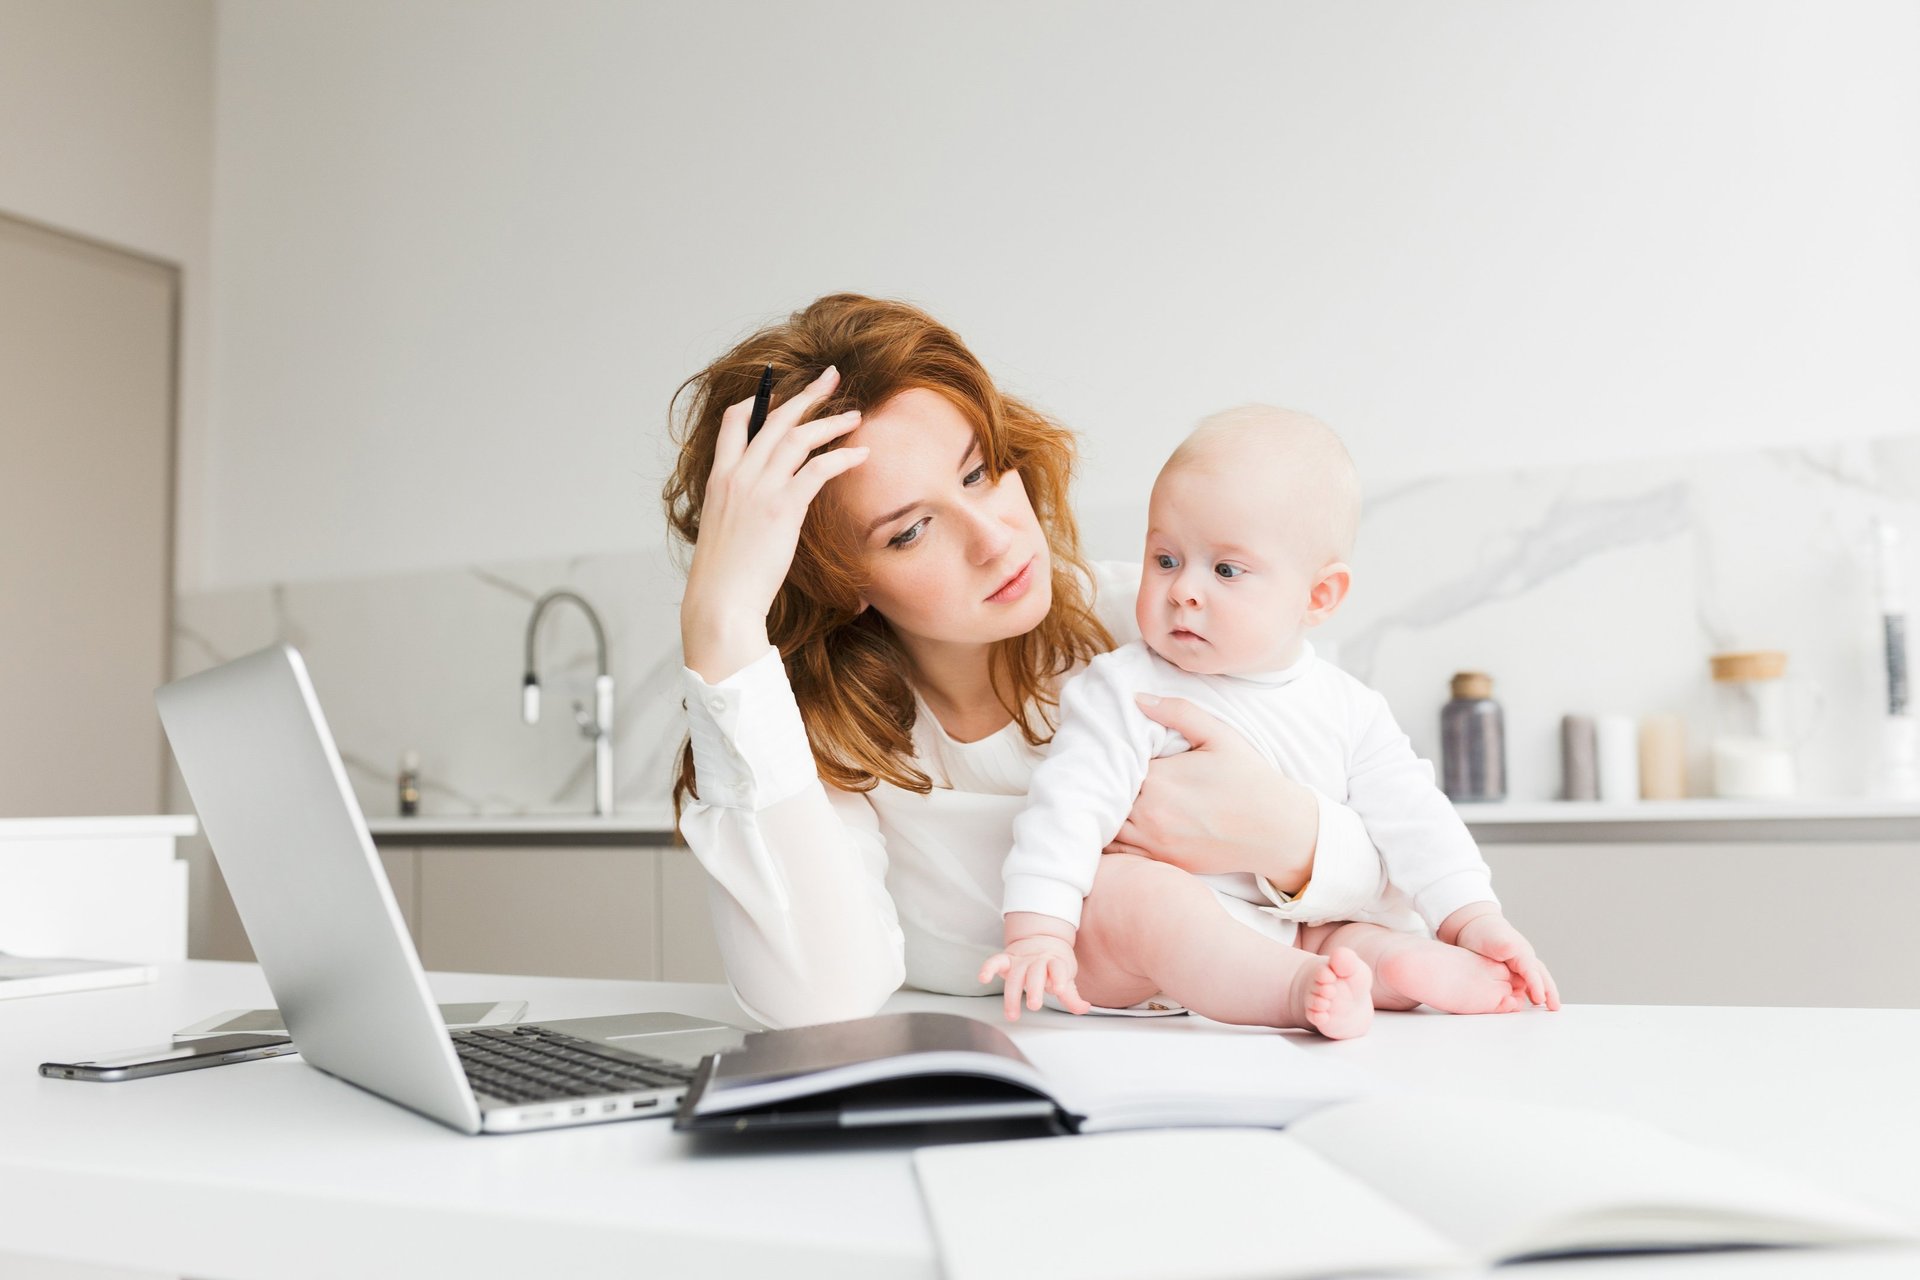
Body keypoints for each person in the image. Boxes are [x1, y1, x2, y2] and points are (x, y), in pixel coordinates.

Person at [663, 294, 1392, 1030]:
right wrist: (720, 624)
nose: (995, 538)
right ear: (840, 584)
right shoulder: (821, 746)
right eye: (912, 531)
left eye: (978, 472)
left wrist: (1289, 836)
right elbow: (817, 1001)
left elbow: (1407, 890)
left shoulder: (1164, 627)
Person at [981, 406, 1562, 1038]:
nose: (1184, 591)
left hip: (1290, 930)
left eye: (1226, 570)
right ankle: (1292, 992)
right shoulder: (1125, 685)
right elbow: (1067, 806)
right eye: (1166, 559)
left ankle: (1400, 967)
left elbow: (1417, 819)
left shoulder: (1350, 709)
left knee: (1346, 936)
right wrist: (1040, 932)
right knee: (1139, 894)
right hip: (1137, 961)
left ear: (1319, 597)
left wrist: (1472, 917)